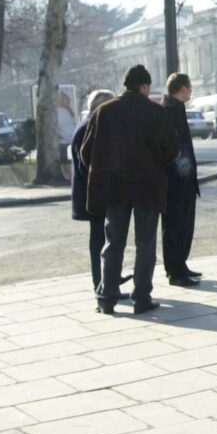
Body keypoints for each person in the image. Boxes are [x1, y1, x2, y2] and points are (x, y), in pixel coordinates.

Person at [80, 65, 178, 315]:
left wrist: (103, 170)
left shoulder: (103, 112)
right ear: (144, 86)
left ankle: (107, 296)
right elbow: (172, 150)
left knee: (113, 242)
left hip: (114, 188)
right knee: (145, 243)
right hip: (148, 186)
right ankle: (142, 296)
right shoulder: (156, 113)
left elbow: (85, 152)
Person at [71, 89, 122, 296]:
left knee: (103, 239)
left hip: (95, 194)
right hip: (94, 196)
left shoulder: (92, 125)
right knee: (99, 240)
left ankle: (107, 280)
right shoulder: (88, 128)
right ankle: (101, 283)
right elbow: (89, 164)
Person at [161, 73, 202, 287]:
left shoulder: (177, 109)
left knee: (185, 225)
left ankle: (181, 265)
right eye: (190, 87)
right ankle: (175, 271)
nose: (191, 91)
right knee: (175, 226)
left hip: (185, 179)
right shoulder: (168, 111)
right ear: (182, 89)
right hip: (175, 181)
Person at [57, 91, 76, 164]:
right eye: (64, 100)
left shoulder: (68, 112)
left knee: (71, 163)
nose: (67, 103)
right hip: (63, 142)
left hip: (70, 141)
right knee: (65, 163)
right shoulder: (57, 112)